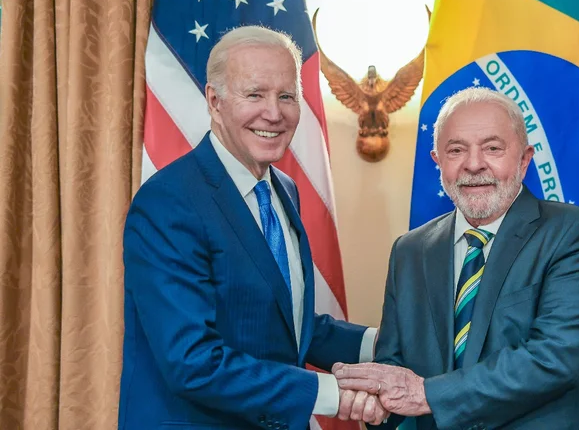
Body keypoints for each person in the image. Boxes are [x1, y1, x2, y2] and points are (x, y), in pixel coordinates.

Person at [118, 26, 386, 429]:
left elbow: (282, 320)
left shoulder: (284, 190)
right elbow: (191, 361)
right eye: (254, 94)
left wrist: (382, 345)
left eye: (286, 96)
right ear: (214, 100)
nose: (274, 114)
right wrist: (332, 394)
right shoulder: (169, 203)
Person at [334, 87, 579, 429]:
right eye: (456, 150)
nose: (474, 165)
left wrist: (426, 395)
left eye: (492, 148)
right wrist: (376, 401)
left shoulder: (576, 234)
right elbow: (394, 364)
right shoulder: (410, 251)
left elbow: (555, 357)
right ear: (438, 162)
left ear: (524, 160)